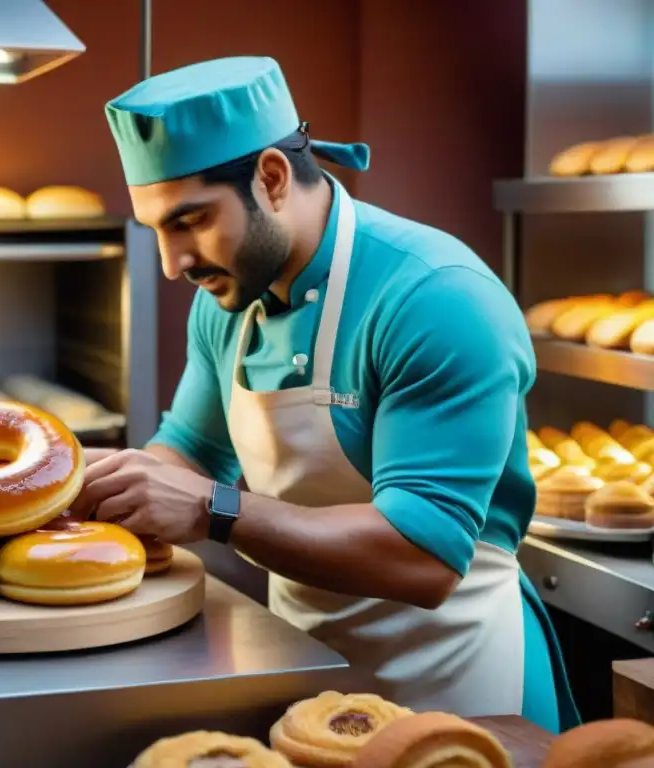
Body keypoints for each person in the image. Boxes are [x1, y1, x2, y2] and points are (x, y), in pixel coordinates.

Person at [68, 56, 579, 733]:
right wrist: (86, 492)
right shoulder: (228, 300)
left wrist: (214, 511)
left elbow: (420, 555)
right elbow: (192, 451)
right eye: (156, 229)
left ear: (272, 179)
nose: (171, 264)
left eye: (189, 221)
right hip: (314, 685)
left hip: (465, 690)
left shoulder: (435, 299)